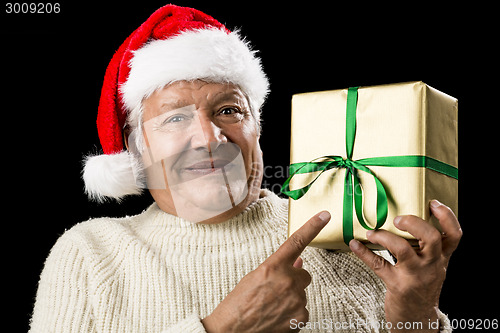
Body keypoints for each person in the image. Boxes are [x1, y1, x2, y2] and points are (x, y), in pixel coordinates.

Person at [29, 4, 462, 333]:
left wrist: (416, 316)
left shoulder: (342, 231)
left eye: (229, 110)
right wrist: (221, 329)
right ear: (135, 148)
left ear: (257, 126)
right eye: (175, 118)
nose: (208, 137)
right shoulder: (90, 254)